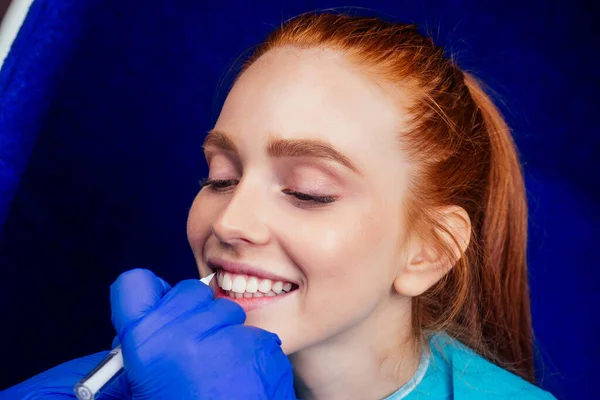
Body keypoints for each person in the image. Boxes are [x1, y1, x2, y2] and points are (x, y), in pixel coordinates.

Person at [1, 11, 556, 400]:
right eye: (220, 177)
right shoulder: (152, 379)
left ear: (428, 251)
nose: (230, 221)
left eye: (306, 192)